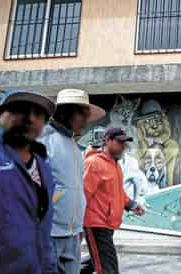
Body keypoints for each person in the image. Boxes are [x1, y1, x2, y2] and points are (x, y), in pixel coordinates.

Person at [0, 89, 57, 274]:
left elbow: (42, 230)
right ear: (0, 115)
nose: (30, 118)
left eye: (38, 114)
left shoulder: (43, 165)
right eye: (20, 110)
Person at [40, 89, 106, 274]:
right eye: (82, 114)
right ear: (66, 112)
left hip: (72, 233)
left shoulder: (75, 147)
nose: (86, 120)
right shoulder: (43, 140)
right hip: (48, 233)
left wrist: (78, 227)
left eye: (87, 115)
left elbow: (77, 189)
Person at [83, 127, 145, 274]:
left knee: (99, 262)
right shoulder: (94, 163)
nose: (123, 146)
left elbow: (117, 193)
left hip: (108, 224)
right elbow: (82, 195)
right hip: (96, 224)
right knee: (108, 269)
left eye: (125, 143)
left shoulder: (115, 165)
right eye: (119, 142)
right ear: (107, 140)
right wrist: (77, 225)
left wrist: (132, 205)